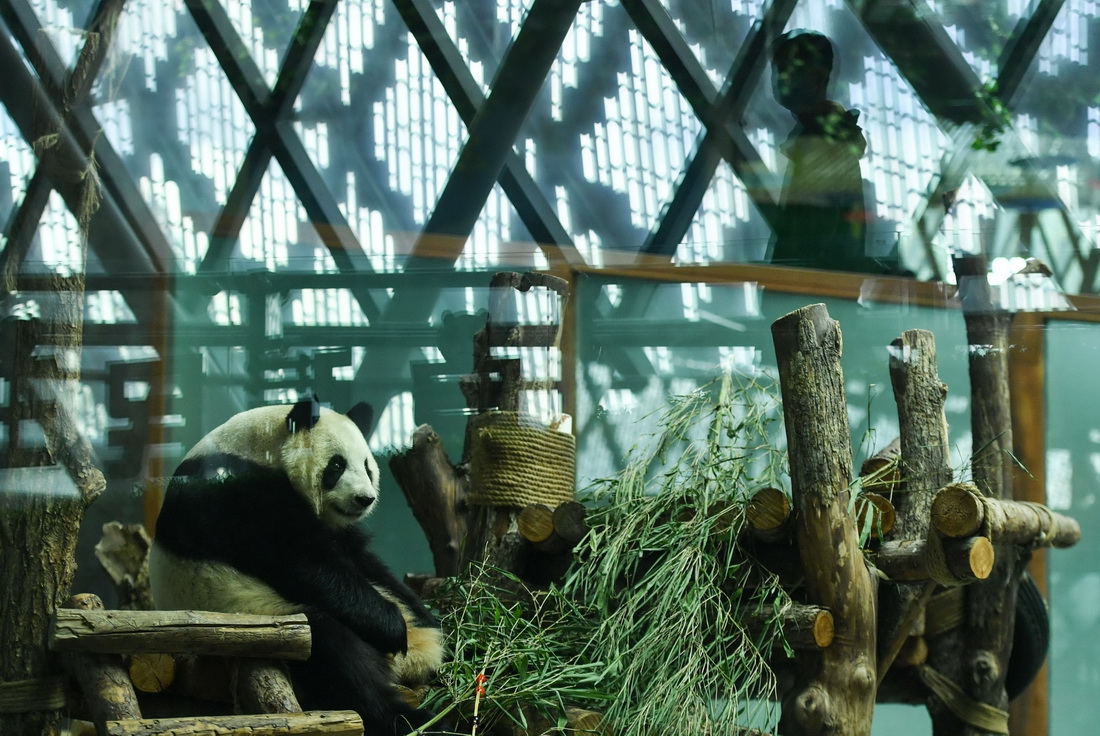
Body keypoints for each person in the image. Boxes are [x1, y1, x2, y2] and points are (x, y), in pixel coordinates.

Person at [769, 30, 883, 273]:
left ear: (818, 77)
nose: (779, 80)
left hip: (810, 287)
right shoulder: (828, 133)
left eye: (788, 70)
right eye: (778, 70)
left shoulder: (822, 139)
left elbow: (810, 237)